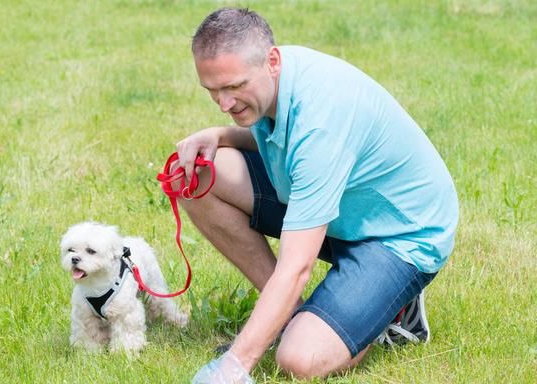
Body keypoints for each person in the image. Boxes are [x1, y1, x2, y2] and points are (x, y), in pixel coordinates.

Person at [174, 7, 459, 382]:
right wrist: (220, 135)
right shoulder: (270, 77)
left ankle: (393, 309)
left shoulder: (321, 118)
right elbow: (281, 144)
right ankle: (290, 316)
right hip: (341, 208)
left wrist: (233, 367)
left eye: (233, 87)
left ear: (271, 61)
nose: (225, 104)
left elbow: (297, 267)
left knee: (299, 359)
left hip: (398, 235)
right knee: (197, 177)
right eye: (213, 91)